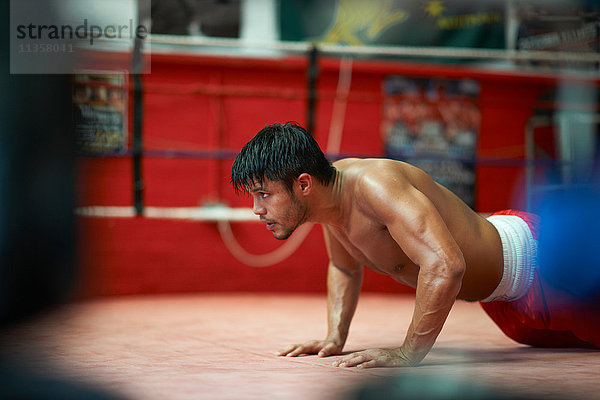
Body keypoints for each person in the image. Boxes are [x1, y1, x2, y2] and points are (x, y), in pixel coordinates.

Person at [230, 122, 600, 368]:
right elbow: (344, 266)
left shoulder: (375, 186)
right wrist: (334, 337)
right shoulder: (328, 207)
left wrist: (409, 353)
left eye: (264, 195)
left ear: (304, 184)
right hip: (507, 311)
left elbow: (446, 265)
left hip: (541, 268)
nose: (256, 210)